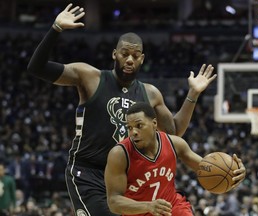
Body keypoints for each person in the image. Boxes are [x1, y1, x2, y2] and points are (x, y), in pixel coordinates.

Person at [27, 3, 218, 216]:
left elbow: (173, 133)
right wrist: (56, 29)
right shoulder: (90, 77)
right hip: (89, 173)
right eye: (124, 53)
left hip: (126, 175)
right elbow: (37, 68)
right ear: (114, 54)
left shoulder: (151, 93)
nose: (129, 59)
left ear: (142, 59)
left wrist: (192, 95)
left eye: (135, 56)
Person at [105, 102, 246, 216]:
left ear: (154, 124)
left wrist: (234, 174)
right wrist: (148, 206)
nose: (133, 132)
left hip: (172, 208)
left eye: (139, 126)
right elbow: (113, 202)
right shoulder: (120, 154)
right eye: (129, 128)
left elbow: (206, 168)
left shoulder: (174, 143)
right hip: (138, 212)